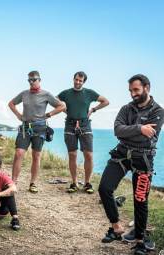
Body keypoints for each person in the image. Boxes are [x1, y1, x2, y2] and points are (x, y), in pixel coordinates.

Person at [98, 74, 163, 255]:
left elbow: (147, 137)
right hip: (121, 155)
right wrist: (139, 128)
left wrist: (131, 132)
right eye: (130, 91)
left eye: (136, 90)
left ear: (147, 88)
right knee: (104, 188)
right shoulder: (126, 108)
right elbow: (117, 130)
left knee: (140, 199)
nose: (133, 94)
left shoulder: (158, 111)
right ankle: (116, 228)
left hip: (143, 158)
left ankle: (140, 241)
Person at [8, 71, 66, 193]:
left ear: (39, 79)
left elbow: (62, 106)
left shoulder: (46, 94)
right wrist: (19, 115)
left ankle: (33, 183)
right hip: (25, 127)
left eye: (34, 79)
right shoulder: (24, 94)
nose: (31, 82)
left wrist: (48, 114)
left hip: (40, 128)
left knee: (36, 156)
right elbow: (11, 103)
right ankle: (13, 182)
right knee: (19, 153)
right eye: (29, 80)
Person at [57, 71, 109, 194]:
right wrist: (64, 109)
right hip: (69, 125)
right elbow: (54, 101)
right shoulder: (66, 93)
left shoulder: (89, 93)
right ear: (73, 79)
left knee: (88, 155)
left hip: (85, 125)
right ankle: (74, 183)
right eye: (76, 79)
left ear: (83, 82)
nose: (78, 82)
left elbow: (106, 101)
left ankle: (87, 183)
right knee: (72, 155)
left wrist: (93, 109)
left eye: (80, 80)